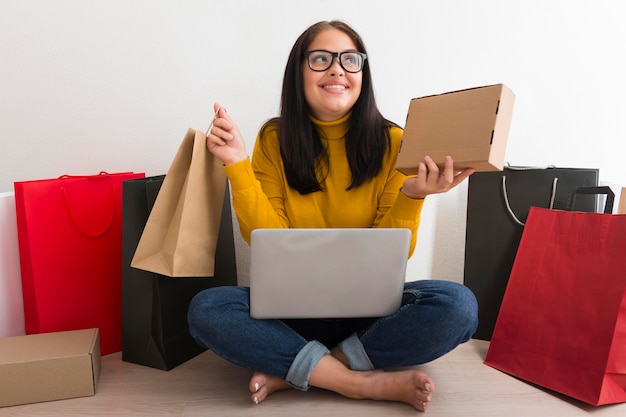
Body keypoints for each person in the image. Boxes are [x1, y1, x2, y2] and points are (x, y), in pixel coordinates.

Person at [188, 20, 478, 412]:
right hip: (292, 314)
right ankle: (357, 383)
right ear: (299, 73)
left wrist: (412, 196)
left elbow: (395, 252)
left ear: (362, 73)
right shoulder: (274, 140)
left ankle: (304, 369)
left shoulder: (395, 142)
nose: (338, 69)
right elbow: (263, 237)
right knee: (206, 309)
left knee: (458, 304)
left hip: (372, 317)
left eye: (350, 60)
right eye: (321, 59)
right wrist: (238, 165)